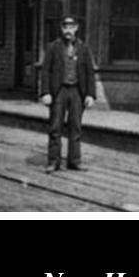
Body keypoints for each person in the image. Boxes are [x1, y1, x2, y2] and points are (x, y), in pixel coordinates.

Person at [41, 15, 97, 172]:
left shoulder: (84, 48)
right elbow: (45, 71)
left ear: (77, 28)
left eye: (71, 27)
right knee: (55, 127)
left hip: (77, 92)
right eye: (65, 27)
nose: (68, 30)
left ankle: (74, 161)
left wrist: (90, 95)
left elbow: (90, 73)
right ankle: (53, 162)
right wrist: (45, 92)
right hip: (58, 91)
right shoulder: (53, 47)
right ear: (61, 29)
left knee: (76, 127)